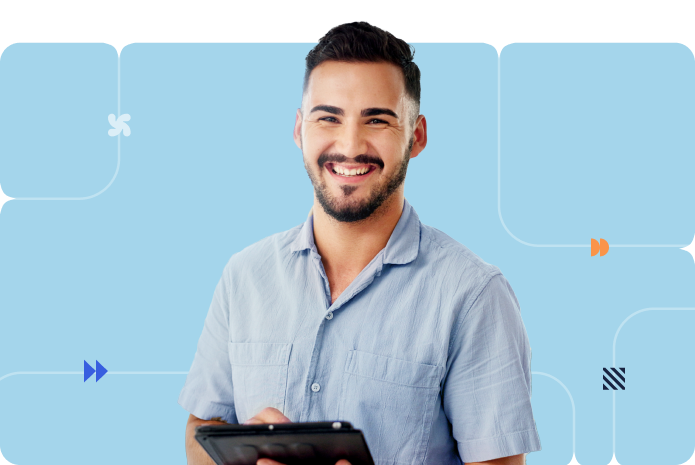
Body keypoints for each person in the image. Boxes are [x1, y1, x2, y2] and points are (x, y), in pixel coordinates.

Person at [178, 20, 542, 465]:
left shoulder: (473, 296)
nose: (349, 146)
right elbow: (202, 429)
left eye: (377, 120)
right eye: (328, 117)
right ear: (299, 130)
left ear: (416, 136)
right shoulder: (244, 275)